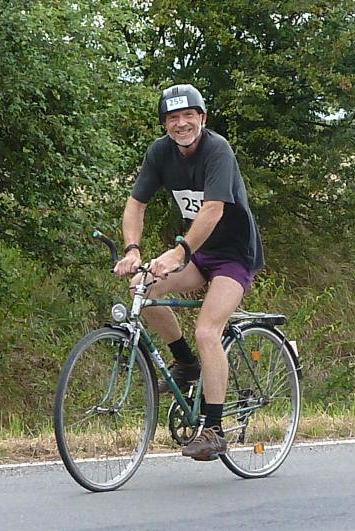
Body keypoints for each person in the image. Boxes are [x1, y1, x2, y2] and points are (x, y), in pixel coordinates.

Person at [113, 84, 264, 461]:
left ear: (202, 118)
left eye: (188, 116)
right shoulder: (159, 153)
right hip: (200, 252)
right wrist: (133, 249)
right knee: (142, 288)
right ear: (165, 124)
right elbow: (136, 204)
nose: (181, 124)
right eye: (173, 118)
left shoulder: (217, 150)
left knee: (207, 330)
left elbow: (213, 210)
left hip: (234, 255)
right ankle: (185, 362)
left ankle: (213, 429)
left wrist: (178, 252)